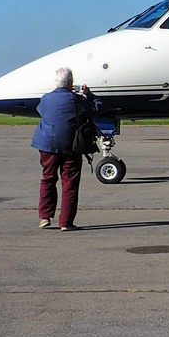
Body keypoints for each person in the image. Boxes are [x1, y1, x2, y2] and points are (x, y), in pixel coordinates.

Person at [31, 67, 101, 232]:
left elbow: (40, 111)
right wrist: (90, 96)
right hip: (71, 146)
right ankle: (66, 222)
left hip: (47, 144)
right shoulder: (77, 100)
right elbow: (98, 109)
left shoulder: (45, 98)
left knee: (47, 178)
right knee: (69, 183)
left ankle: (45, 217)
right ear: (71, 83)